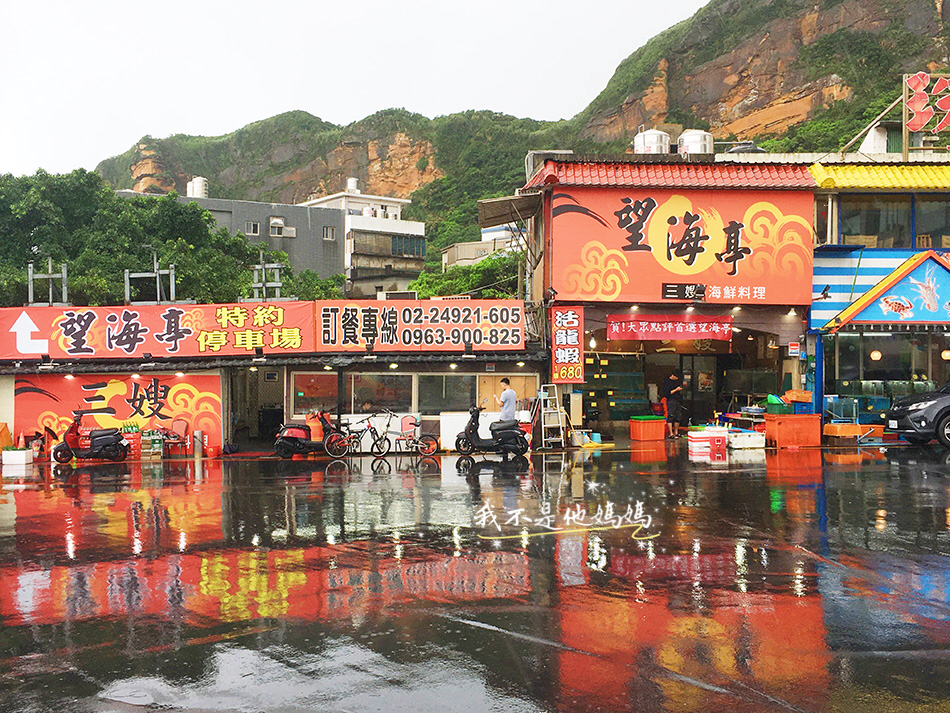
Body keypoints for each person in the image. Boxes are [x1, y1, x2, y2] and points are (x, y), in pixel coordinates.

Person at [661, 369, 685, 438]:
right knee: (671, 416)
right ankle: (671, 433)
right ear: (673, 375)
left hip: (677, 400)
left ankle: (676, 432)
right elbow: (667, 393)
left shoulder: (676, 381)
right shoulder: (667, 382)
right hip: (671, 400)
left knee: (678, 416)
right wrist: (676, 389)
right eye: (676, 377)